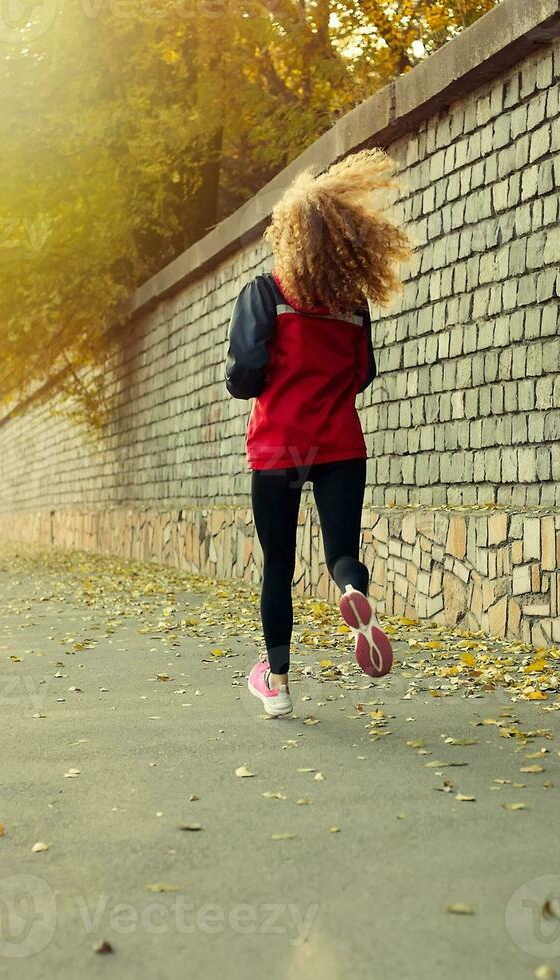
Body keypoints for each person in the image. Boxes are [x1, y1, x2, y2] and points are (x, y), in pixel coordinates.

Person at [225, 148, 413, 718]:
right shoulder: (353, 307)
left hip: (279, 449)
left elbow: (245, 374)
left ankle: (277, 685)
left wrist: (256, 381)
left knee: (278, 566)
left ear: (291, 236)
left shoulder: (266, 294)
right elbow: (361, 376)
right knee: (340, 553)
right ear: (344, 240)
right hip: (341, 447)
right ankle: (353, 593)